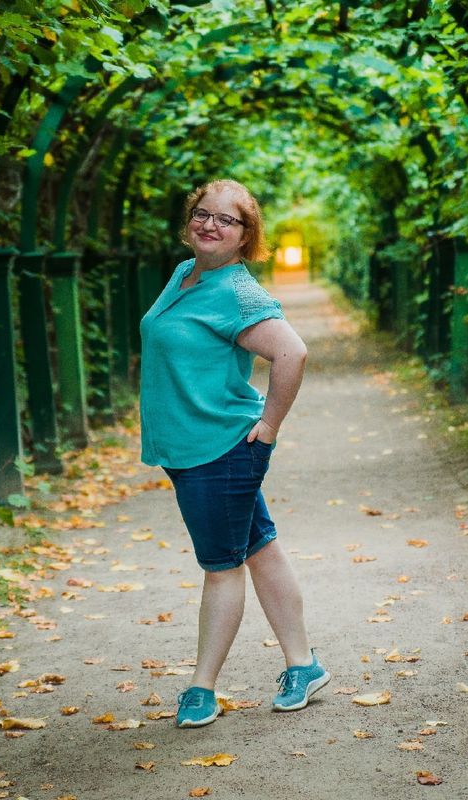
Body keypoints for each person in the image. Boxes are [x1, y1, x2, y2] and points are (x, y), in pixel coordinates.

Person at [139, 179, 329, 728]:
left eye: (227, 220)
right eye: (203, 214)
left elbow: (292, 352)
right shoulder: (184, 275)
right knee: (259, 548)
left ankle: (202, 687)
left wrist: (268, 425)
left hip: (220, 451)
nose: (210, 225)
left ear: (248, 236)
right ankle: (304, 665)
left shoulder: (236, 291)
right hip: (189, 448)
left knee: (221, 567)